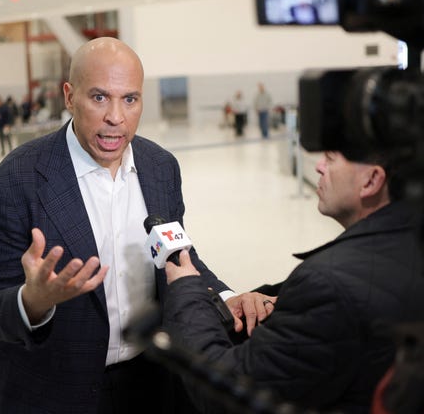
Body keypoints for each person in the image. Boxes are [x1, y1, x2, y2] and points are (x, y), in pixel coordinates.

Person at [0, 37, 274, 414]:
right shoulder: (15, 181)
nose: (116, 117)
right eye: (99, 97)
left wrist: (228, 297)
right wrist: (33, 301)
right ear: (69, 95)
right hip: (52, 392)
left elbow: (177, 254)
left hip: (151, 385)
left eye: (130, 99)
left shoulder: (160, 167)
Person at [162, 150, 424, 414]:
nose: (319, 166)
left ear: (371, 181)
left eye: (331, 159)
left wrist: (186, 290)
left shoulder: (326, 285)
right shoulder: (408, 241)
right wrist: (284, 305)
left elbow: (225, 395)